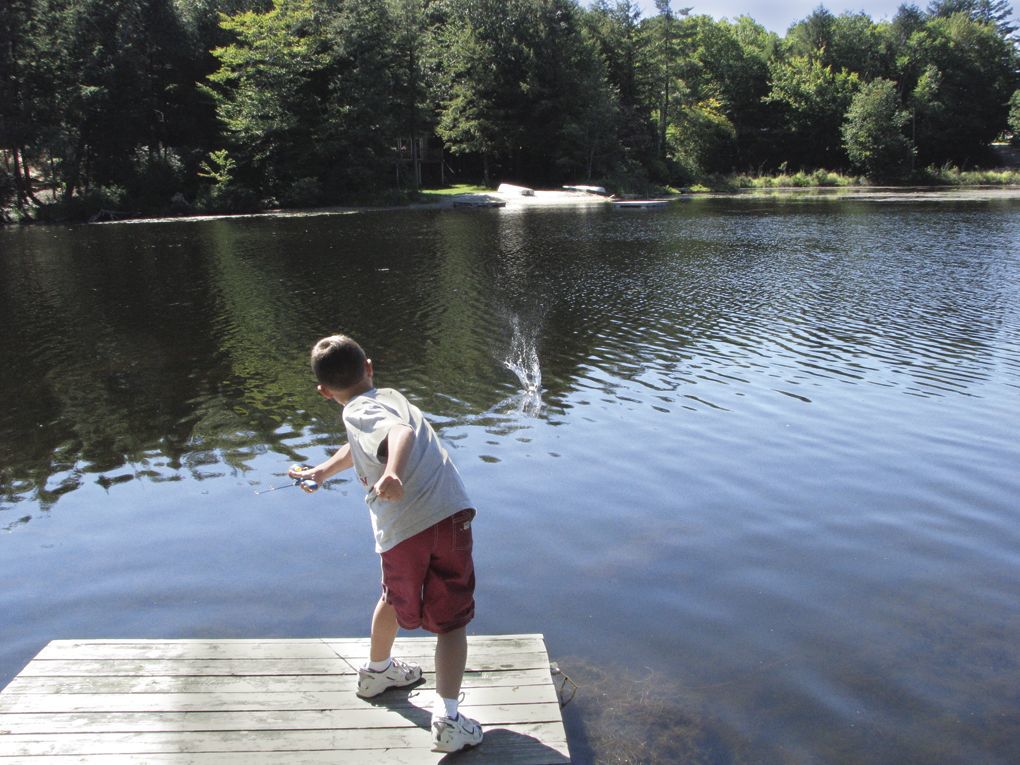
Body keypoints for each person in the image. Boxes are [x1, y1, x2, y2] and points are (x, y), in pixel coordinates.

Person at [290, 334, 483, 754]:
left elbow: (392, 434)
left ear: (324, 392)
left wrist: (393, 471)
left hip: (400, 531)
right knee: (451, 622)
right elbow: (383, 433)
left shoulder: (361, 410)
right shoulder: (383, 399)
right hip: (444, 518)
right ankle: (448, 720)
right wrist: (323, 470)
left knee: (393, 598)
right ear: (370, 368)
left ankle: (377, 672)